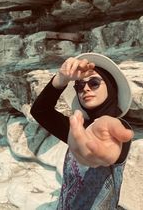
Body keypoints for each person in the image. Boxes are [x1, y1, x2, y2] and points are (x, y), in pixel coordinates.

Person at [30, 52, 134, 210]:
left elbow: (113, 132)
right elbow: (40, 111)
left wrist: (101, 140)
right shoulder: (77, 129)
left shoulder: (116, 127)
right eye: (79, 85)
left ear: (111, 87)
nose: (85, 89)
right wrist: (61, 79)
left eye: (94, 83)